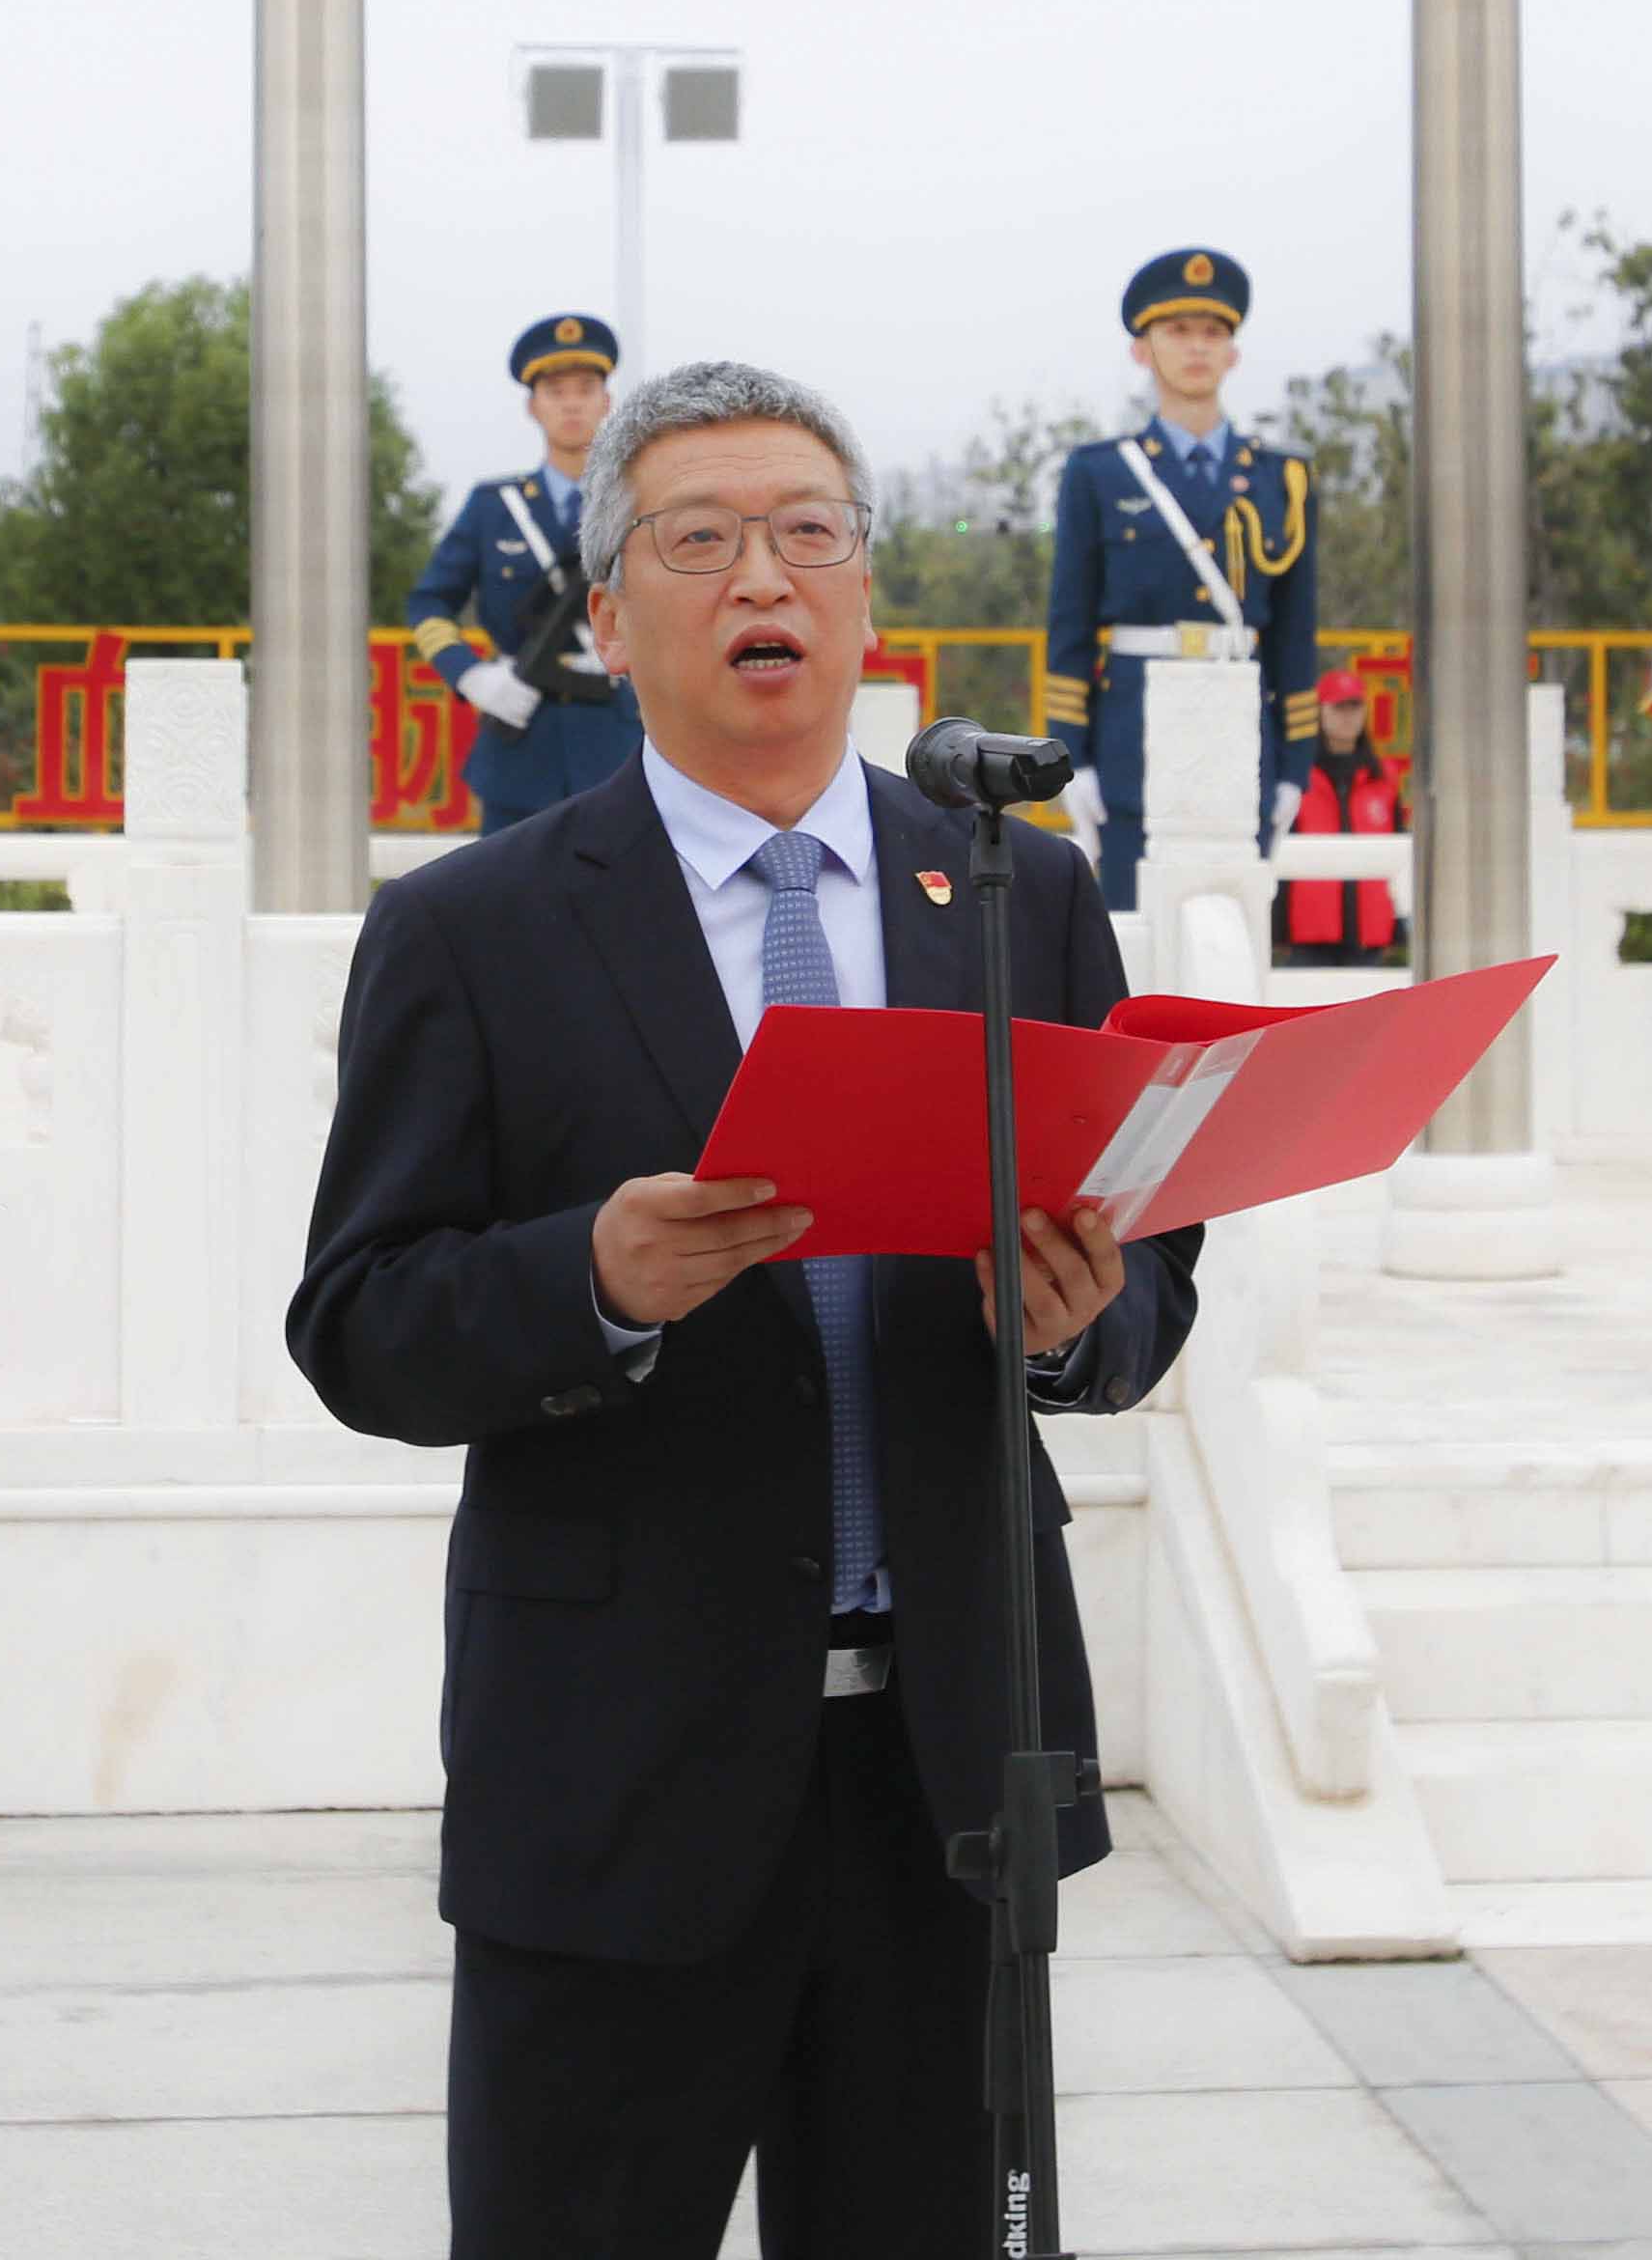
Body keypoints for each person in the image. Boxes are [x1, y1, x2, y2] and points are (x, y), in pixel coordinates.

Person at [288, 360, 1202, 2253]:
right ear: (610, 619)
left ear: (865, 598)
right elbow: (361, 1323)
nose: (761, 578)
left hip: (947, 1774)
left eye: (806, 534)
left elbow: (1151, 1279)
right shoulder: (475, 928)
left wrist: (1066, 1322)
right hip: (615, 1779)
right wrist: (590, 1280)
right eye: (697, 540)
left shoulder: (1013, 898)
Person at [1043, 247, 1321, 908]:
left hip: (1242, 734)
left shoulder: (1283, 478)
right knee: (1133, 930)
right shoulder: (1101, 472)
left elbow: (1295, 632)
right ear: (1143, 351)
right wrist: (1071, 754)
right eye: (1178, 331)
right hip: (1132, 739)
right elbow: (1070, 625)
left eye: (1214, 333)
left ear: (1234, 354)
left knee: (1237, 926)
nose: (1198, 347)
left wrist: (1295, 764)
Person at [404, 313, 648, 834]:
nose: (572, 404)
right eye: (555, 391)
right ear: (532, 406)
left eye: (585, 389)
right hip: (520, 744)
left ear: (607, 401)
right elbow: (428, 603)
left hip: (619, 741)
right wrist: (472, 677)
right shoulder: (494, 507)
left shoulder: (641, 504)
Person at [1274, 664, 1405, 965]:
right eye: (1338, 707)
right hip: (1308, 934)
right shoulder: (1298, 781)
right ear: (1320, 712)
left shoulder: (1383, 779)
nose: (1348, 716)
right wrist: (1277, 929)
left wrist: (1396, 927)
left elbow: (1398, 858)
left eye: (1355, 707)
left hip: (1370, 935)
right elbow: (1281, 855)